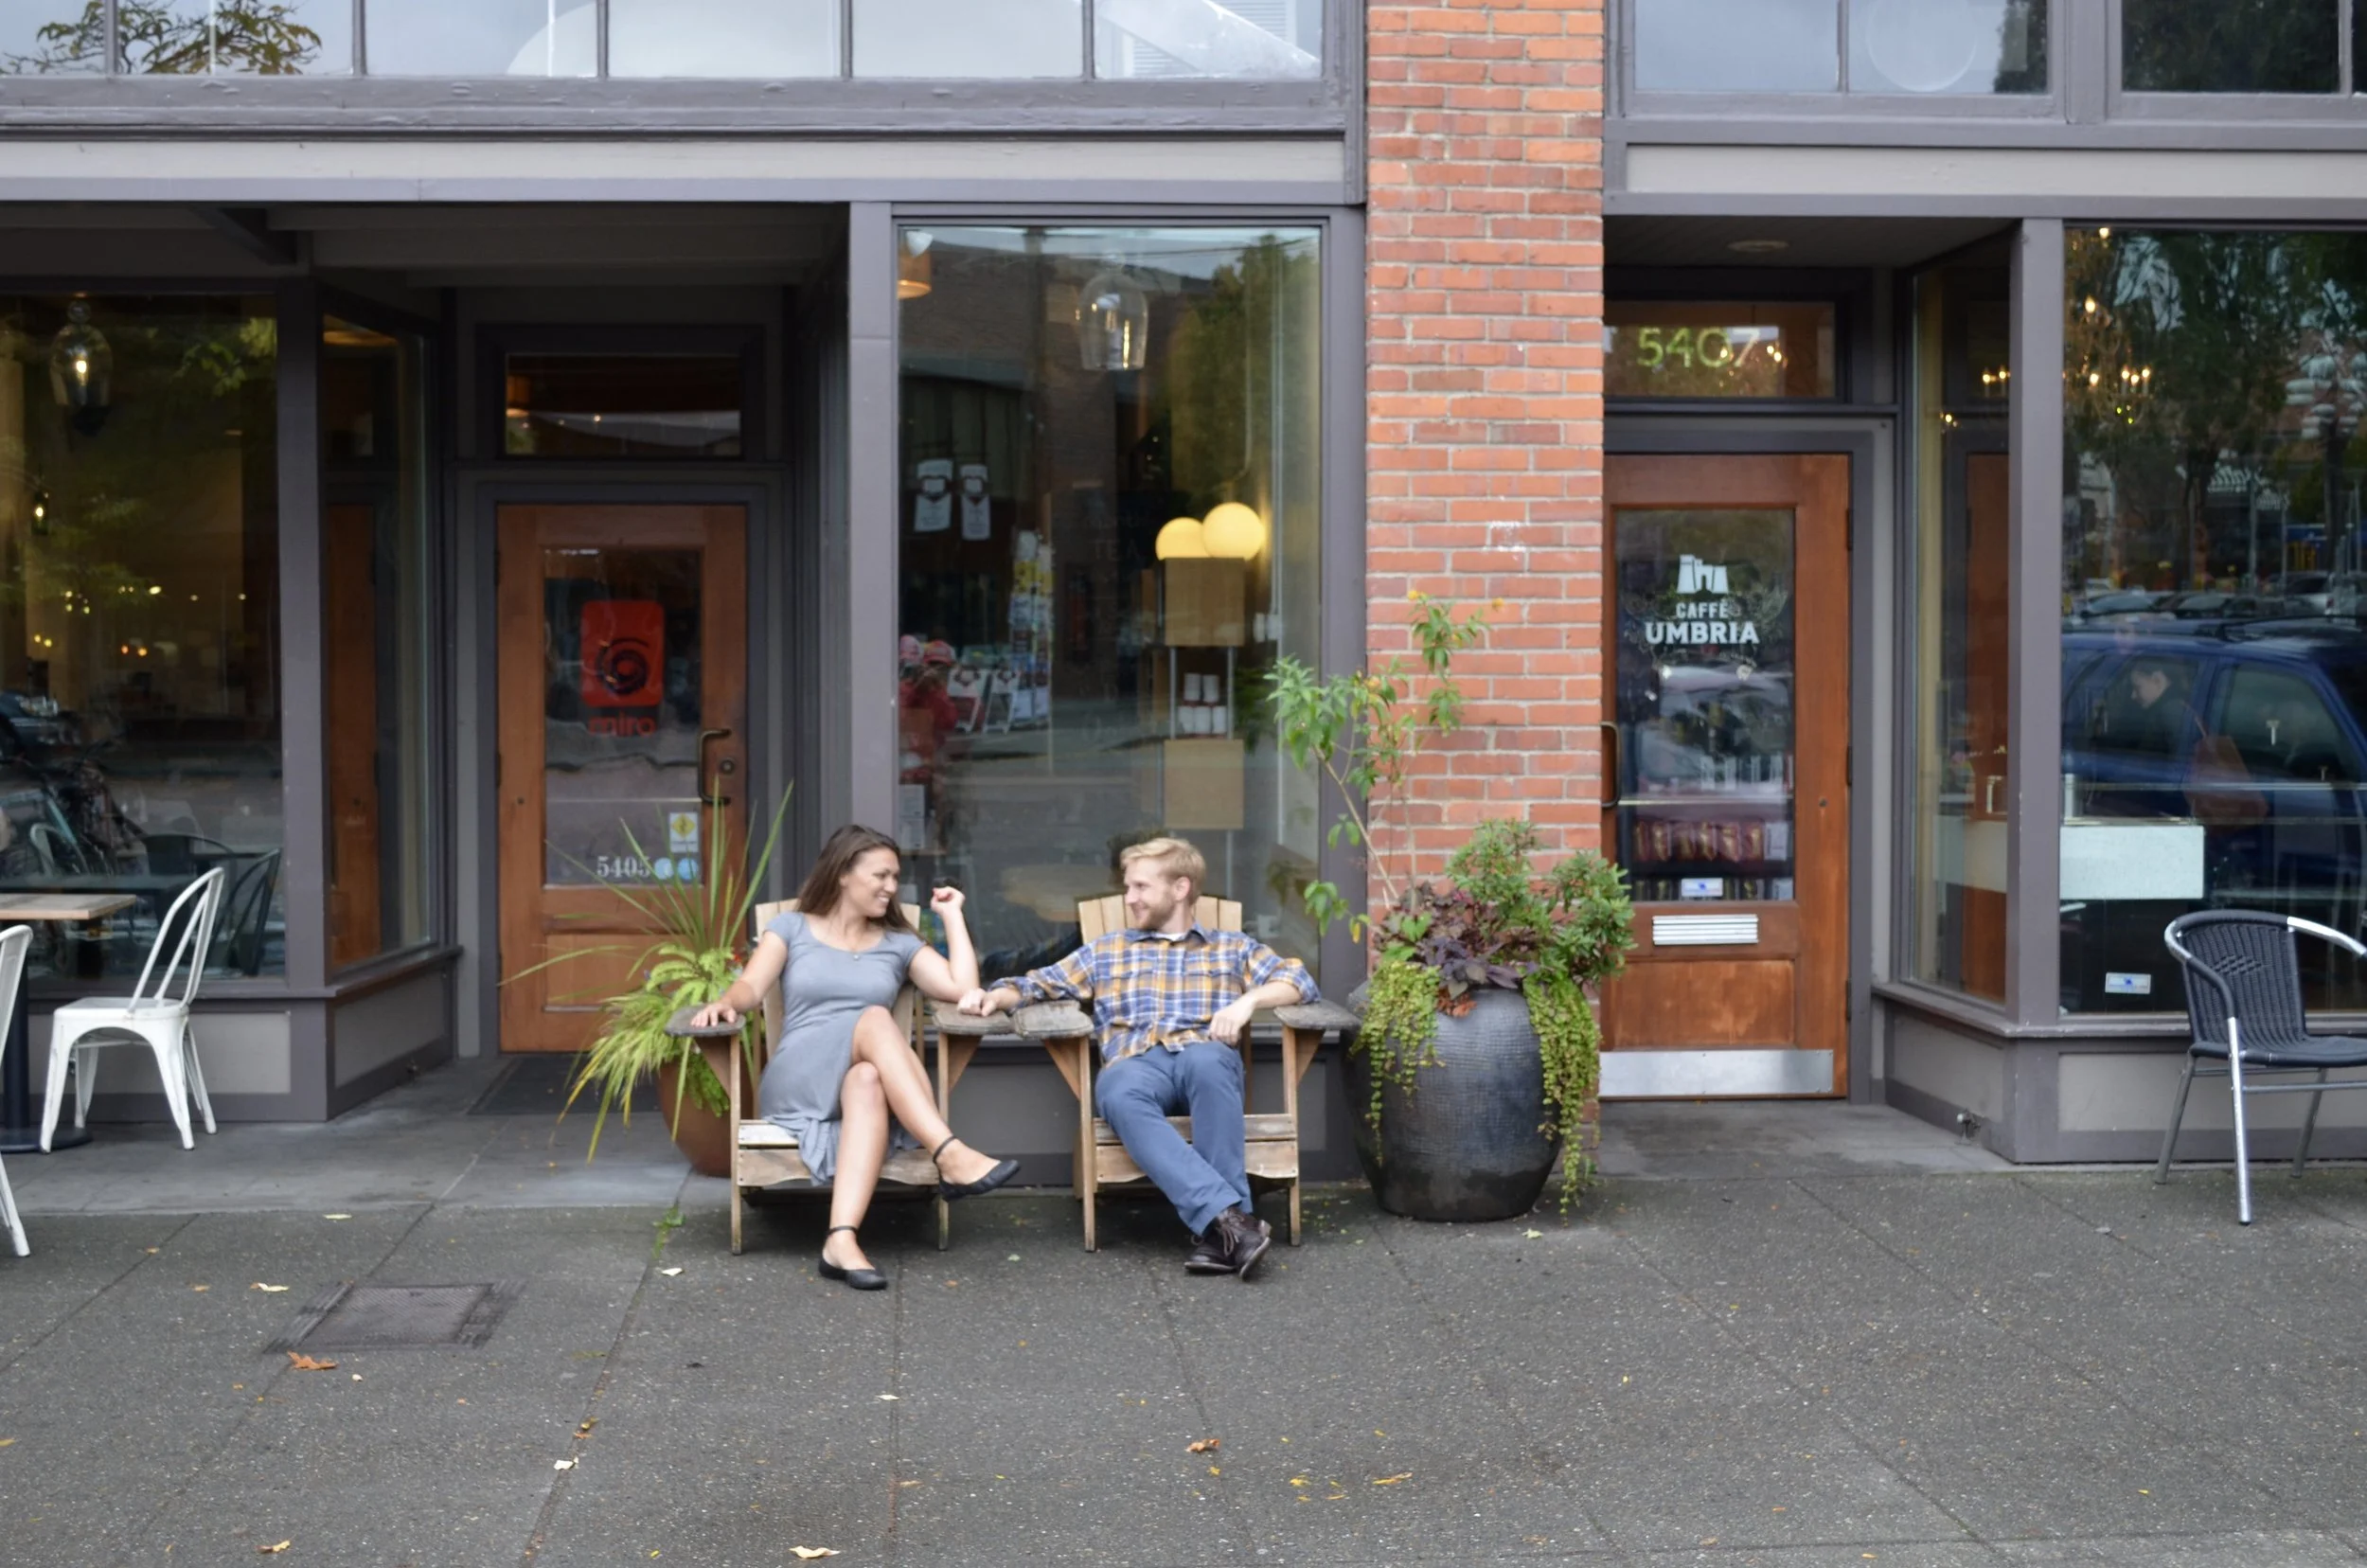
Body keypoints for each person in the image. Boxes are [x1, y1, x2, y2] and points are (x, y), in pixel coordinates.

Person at [957, 837, 1318, 1280]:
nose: (1129, 898)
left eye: (1141, 887)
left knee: (1209, 1065)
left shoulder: (1231, 947)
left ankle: (1223, 1230)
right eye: (1128, 888)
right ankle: (1231, 1222)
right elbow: (1038, 984)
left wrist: (1247, 1003)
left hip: (1202, 1053)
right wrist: (994, 996)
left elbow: (1298, 980)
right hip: (1136, 1063)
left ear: (1180, 888)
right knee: (1118, 1091)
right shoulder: (1108, 950)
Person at [690, 823, 1019, 1291]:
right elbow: (751, 986)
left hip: (859, 1079)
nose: (891, 887)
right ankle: (948, 1152)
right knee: (876, 1018)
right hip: (800, 1077)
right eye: (880, 876)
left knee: (867, 1078)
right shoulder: (792, 928)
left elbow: (963, 989)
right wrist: (726, 1002)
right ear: (844, 873)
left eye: (895, 878)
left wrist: (952, 916)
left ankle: (840, 1239)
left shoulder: (898, 943)